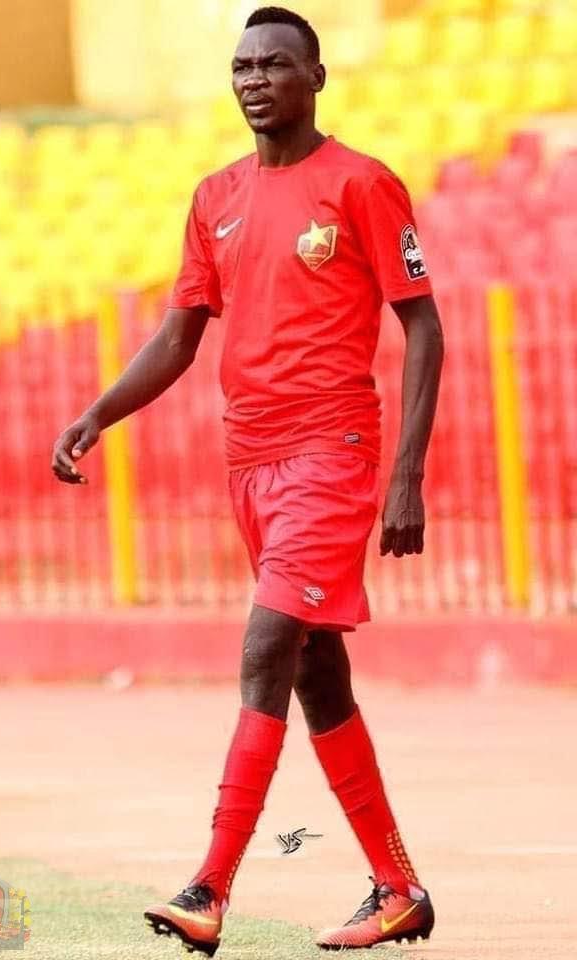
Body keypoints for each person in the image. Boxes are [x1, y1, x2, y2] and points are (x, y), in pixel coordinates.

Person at [52, 5, 444, 955]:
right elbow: (179, 336)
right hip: (250, 461)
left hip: (332, 452)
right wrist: (100, 412)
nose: (254, 79)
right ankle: (397, 889)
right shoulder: (214, 196)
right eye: (242, 66)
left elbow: (424, 325)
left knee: (267, 644)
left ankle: (209, 887)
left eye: (274, 64)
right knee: (315, 670)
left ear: (317, 77)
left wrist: (406, 476)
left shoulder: (361, 182)